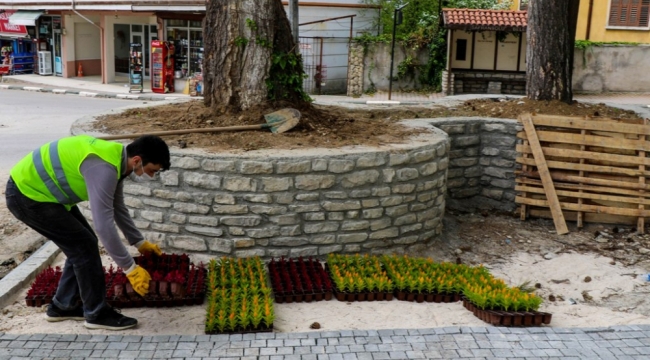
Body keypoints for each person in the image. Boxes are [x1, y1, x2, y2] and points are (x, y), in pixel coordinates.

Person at [5, 135, 171, 330]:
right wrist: (130, 269)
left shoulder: (116, 160)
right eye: (151, 170)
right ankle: (96, 313)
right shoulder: (104, 168)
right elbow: (103, 225)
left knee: (82, 245)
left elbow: (118, 208)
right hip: (28, 196)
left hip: (45, 195)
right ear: (137, 160)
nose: (150, 175)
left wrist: (139, 242)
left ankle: (63, 306)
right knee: (83, 246)